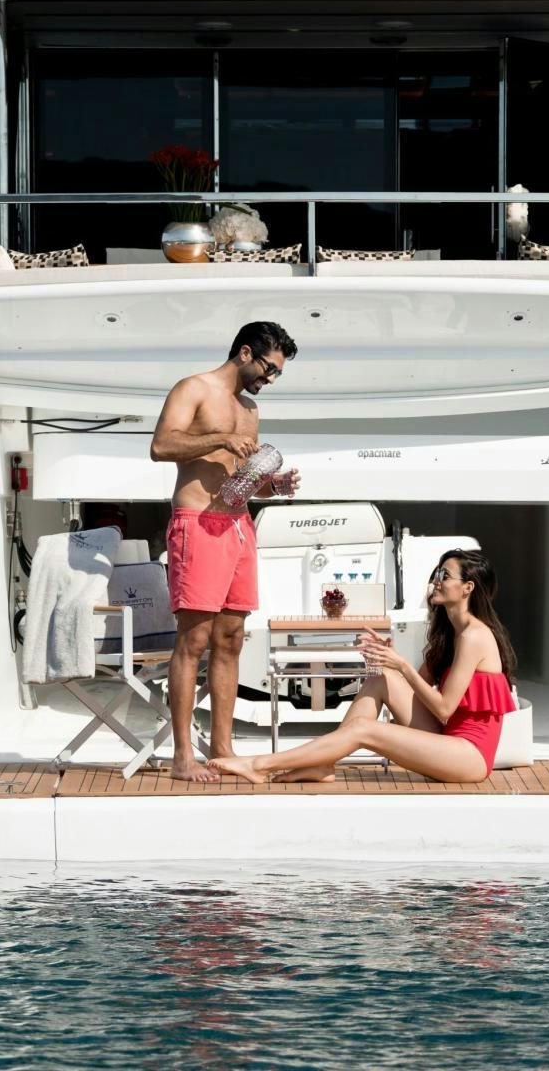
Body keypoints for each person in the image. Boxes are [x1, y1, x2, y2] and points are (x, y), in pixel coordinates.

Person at [212, 549, 517, 785]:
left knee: (363, 729)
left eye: (445, 575)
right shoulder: (451, 634)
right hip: (448, 741)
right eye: (437, 572)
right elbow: (413, 690)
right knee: (381, 678)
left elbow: (444, 708)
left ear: (467, 588)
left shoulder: (475, 636)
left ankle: (259, 765)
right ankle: (321, 764)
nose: (436, 580)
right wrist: (391, 661)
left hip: (469, 757)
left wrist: (401, 666)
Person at [150, 321, 301, 781]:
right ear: (244, 352)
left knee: (232, 639)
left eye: (277, 373)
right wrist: (218, 438)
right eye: (268, 368)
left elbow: (242, 483)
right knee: (193, 640)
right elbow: (160, 446)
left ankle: (222, 747)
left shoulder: (250, 409)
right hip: (196, 523)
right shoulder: (193, 388)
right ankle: (182, 757)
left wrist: (273, 486)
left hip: (238, 525)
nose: (270, 379)